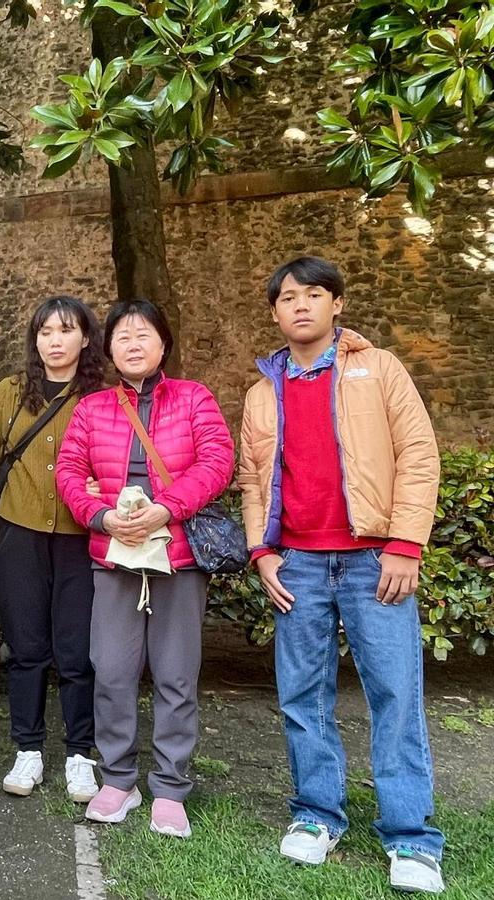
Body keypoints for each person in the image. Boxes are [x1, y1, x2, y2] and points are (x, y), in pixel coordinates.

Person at [239, 257, 444, 894]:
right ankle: (316, 814)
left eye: (314, 294)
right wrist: (261, 551)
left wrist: (405, 543)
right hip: (295, 562)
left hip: (372, 559)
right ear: (274, 312)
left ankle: (410, 836)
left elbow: (418, 453)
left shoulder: (379, 369)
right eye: (288, 297)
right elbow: (252, 479)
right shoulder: (260, 391)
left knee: (395, 695)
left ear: (338, 304)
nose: (300, 305)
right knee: (303, 696)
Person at [56, 298, 233, 839]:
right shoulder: (92, 409)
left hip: (176, 556)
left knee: (177, 674)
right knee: (110, 669)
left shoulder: (194, 398)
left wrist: (167, 508)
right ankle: (118, 779)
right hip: (114, 557)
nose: (133, 344)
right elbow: (68, 469)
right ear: (108, 348)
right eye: (123, 337)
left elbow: (217, 461)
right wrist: (101, 515)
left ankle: (171, 786)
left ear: (163, 345)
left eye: (144, 335)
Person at [0, 295, 104, 803]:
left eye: (66, 330)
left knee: (76, 651)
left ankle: (79, 753)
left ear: (85, 338)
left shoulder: (101, 396)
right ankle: (27, 748)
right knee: (25, 647)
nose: (55, 341)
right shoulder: (10, 393)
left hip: (81, 535)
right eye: (45, 331)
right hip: (18, 530)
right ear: (35, 339)